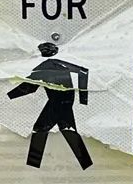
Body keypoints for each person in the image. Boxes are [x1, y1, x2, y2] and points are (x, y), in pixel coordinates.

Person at [7, 39, 92, 170]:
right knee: (68, 130)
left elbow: (29, 87)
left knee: (40, 129)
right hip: (66, 101)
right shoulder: (60, 64)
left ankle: (33, 166)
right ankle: (86, 164)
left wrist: (9, 97)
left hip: (57, 102)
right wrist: (82, 98)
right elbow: (83, 72)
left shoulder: (44, 67)